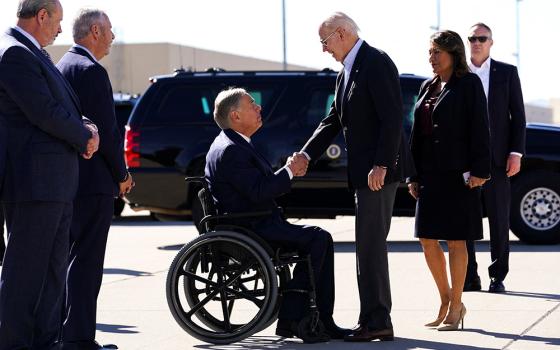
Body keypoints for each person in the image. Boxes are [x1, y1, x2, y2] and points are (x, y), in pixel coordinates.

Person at [297, 12, 412, 342]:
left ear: (342, 33)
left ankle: (377, 320)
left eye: (324, 42)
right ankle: (373, 318)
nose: (323, 50)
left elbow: (393, 119)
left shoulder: (376, 62)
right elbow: (332, 120)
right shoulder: (346, 72)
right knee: (367, 246)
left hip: (377, 173)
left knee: (370, 247)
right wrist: (306, 154)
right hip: (365, 173)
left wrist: (382, 164)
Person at [205, 87, 349, 343]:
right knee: (318, 239)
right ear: (236, 116)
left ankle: (315, 319)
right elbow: (260, 190)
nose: (259, 108)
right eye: (252, 105)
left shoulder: (234, 144)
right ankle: (296, 317)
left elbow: (259, 186)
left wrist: (288, 172)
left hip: (253, 221)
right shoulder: (231, 150)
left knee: (319, 239)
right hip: (252, 227)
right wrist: (290, 170)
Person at [0, 0, 100, 348]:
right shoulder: (14, 54)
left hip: (54, 184)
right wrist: (84, 135)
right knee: (26, 275)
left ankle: (46, 342)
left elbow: (64, 108)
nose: (60, 29)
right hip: (34, 184)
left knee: (52, 274)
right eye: (56, 20)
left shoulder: (35, 54)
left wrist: (85, 124)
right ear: (41, 15)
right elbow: (44, 113)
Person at [56, 9, 133, 350]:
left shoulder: (60, 68)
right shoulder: (91, 71)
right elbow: (108, 132)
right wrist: (123, 175)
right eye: (111, 31)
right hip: (94, 183)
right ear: (96, 31)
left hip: (66, 182)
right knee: (87, 263)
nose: (113, 38)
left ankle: (60, 332)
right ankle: (79, 338)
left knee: (66, 261)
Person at [407, 30, 491, 331]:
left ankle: (457, 305)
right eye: (430, 52)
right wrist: (412, 174)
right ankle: (446, 299)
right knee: (426, 239)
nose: (431, 58)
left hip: (460, 175)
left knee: (457, 240)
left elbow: (481, 129)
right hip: (430, 175)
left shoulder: (468, 85)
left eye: (436, 53)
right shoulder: (426, 86)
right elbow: (416, 133)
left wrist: (481, 170)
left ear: (453, 53)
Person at [464, 23, 526, 294]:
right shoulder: (458, 72)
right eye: (472, 38)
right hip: (466, 162)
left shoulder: (507, 73)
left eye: (482, 38)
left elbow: (518, 117)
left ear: (491, 42)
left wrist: (516, 153)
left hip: (498, 161)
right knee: (465, 219)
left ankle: (497, 276)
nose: (477, 42)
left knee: (499, 220)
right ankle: (469, 275)